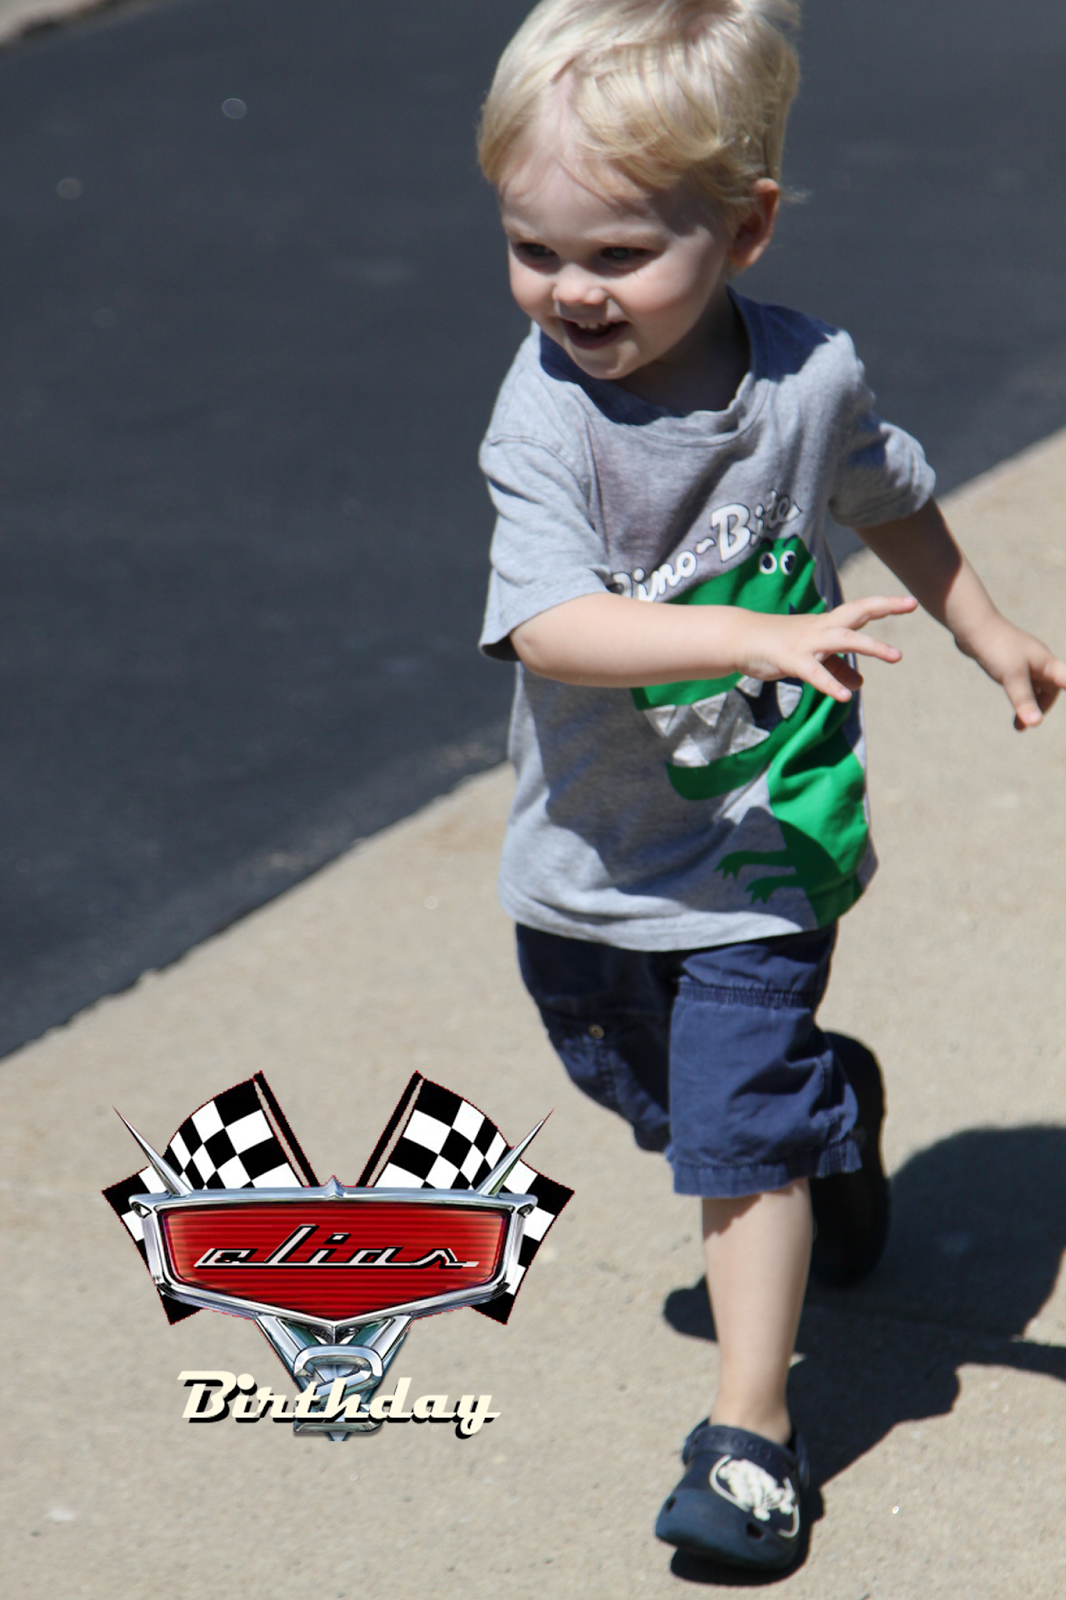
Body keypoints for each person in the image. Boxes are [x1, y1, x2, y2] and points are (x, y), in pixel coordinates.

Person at [474, 0, 1066, 1571]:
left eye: (615, 254)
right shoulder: (547, 419)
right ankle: (833, 1117)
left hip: (762, 841)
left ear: (741, 231)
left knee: (731, 1137)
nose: (569, 290)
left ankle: (749, 1440)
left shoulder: (807, 377)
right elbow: (549, 623)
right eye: (533, 249)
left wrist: (984, 625)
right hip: (595, 855)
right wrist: (746, 630)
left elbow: (889, 490)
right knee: (657, 1095)